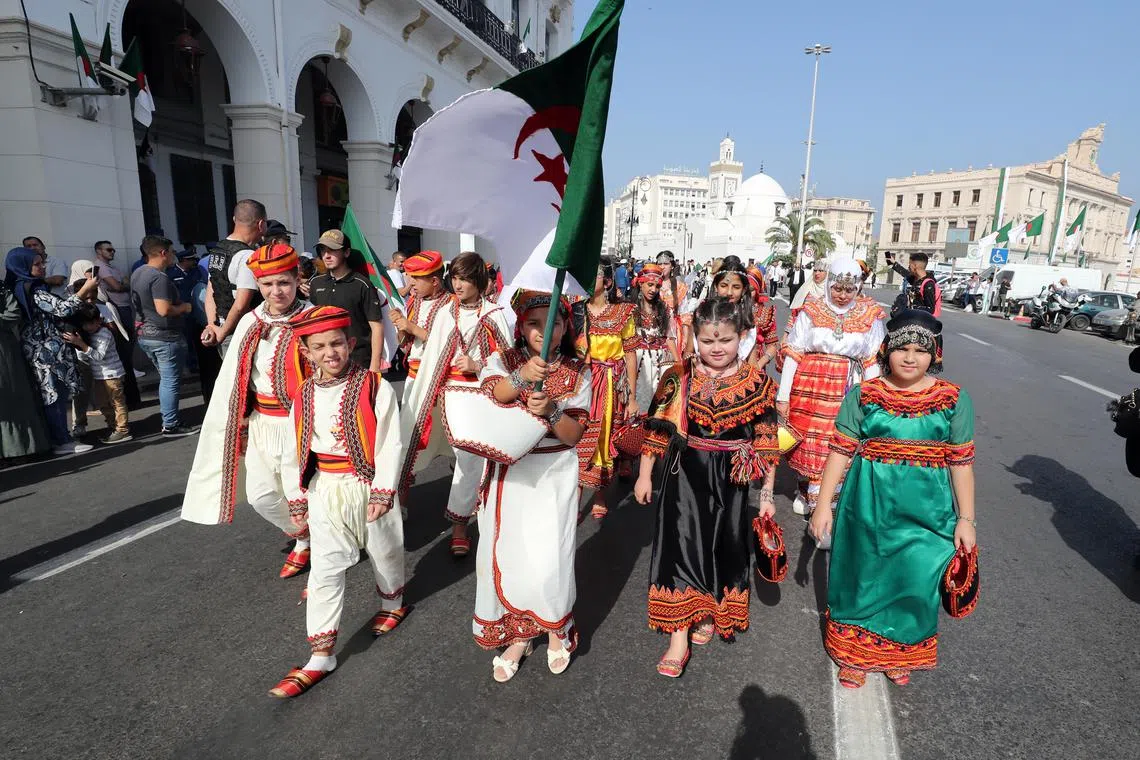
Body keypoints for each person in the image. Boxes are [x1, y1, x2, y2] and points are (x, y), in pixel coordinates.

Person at [810, 309, 976, 688]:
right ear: (886, 350)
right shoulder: (865, 394)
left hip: (929, 512)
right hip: (867, 503)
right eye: (902, 348)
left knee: (917, 577)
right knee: (862, 574)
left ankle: (899, 648)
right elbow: (840, 449)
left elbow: (962, 462)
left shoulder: (953, 399)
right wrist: (823, 505)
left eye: (921, 349)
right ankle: (856, 655)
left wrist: (966, 520)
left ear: (935, 353)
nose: (910, 357)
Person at [634, 297, 781, 678]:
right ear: (695, 338)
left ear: (742, 338)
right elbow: (658, 429)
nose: (717, 349)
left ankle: (709, 607)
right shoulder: (677, 376)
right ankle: (678, 636)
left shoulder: (759, 384)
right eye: (708, 341)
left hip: (732, 479)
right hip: (684, 474)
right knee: (680, 547)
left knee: (723, 546)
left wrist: (765, 497)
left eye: (726, 341)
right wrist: (645, 473)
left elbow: (766, 443)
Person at [267, 306, 409, 698]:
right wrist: (297, 497)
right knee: (325, 569)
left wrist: (383, 490)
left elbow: (390, 442)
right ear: (306, 352)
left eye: (336, 344)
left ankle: (393, 601)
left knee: (384, 551)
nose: (329, 353)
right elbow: (294, 451)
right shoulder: (304, 393)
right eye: (319, 347)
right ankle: (321, 654)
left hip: (367, 484)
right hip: (325, 488)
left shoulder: (375, 386)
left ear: (350, 344)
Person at [475, 289, 591, 681]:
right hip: (510, 472)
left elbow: (575, 434)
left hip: (554, 472)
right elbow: (493, 393)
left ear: (566, 327)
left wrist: (553, 411)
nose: (543, 330)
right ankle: (519, 634)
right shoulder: (503, 360)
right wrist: (521, 376)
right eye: (533, 323)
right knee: (509, 553)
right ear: (521, 327)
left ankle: (557, 628)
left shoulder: (579, 371)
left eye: (554, 322)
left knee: (550, 556)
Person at [181, 244, 314, 578]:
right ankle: (303, 534)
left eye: (283, 282)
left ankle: (310, 546)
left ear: (297, 279)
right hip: (260, 423)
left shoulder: (313, 318)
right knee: (261, 496)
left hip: (300, 424)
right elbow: (235, 377)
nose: (275, 291)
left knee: (302, 491)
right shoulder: (250, 322)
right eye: (267, 284)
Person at [395, 251, 510, 556]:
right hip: (441, 391)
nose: (458, 285)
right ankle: (395, 507)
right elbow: (433, 354)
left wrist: (479, 365)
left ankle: (460, 527)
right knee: (411, 442)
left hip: (477, 396)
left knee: (469, 460)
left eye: (465, 279)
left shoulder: (495, 314)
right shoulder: (448, 312)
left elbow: (509, 360)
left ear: (479, 280)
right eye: (455, 278)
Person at [777, 259, 887, 518]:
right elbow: (793, 353)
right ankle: (807, 489)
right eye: (837, 288)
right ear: (828, 283)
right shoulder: (812, 309)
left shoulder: (869, 314)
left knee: (837, 442)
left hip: (847, 387)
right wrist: (783, 395)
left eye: (849, 290)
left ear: (858, 287)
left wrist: (871, 397)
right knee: (808, 441)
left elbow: (872, 358)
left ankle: (822, 508)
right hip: (809, 386)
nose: (842, 295)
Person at [5, 247, 97, 455]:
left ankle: (60, 438)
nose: (43, 267)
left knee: (53, 394)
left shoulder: (22, 287)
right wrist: (85, 290)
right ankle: (61, 441)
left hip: (43, 350)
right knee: (54, 395)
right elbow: (63, 309)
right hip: (45, 353)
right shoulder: (33, 289)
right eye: (37, 264)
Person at [577, 258, 638, 519]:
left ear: (609, 282)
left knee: (603, 436)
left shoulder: (622, 313)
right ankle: (574, 494)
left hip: (611, 384)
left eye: (596, 277)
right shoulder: (576, 312)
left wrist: (633, 398)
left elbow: (631, 354)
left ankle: (599, 493)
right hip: (583, 381)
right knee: (577, 434)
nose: (590, 282)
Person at [389, 250, 452, 475]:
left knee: (454, 438)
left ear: (435, 281)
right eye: (408, 276)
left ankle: (463, 496)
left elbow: (448, 344)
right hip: (414, 378)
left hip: (443, 382)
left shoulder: (452, 305)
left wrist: (411, 327)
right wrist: (401, 327)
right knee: (409, 438)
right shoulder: (414, 302)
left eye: (416, 278)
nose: (410, 283)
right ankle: (403, 496)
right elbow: (406, 343)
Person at [131, 236, 196, 437]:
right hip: (164, 337)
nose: (174, 255)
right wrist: (185, 307)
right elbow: (163, 309)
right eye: (172, 251)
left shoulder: (138, 273)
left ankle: (170, 419)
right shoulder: (159, 278)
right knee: (170, 381)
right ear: (163, 253)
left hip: (146, 334)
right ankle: (171, 424)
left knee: (166, 380)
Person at [308, 230, 388, 372]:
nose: (326, 255)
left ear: (346, 252)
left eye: (332, 250)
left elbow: (376, 327)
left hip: (358, 361)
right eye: (323, 251)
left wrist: (375, 367)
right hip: (325, 361)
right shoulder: (316, 283)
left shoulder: (362, 284)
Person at [203, 199, 267, 357]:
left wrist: (212, 325)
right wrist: (222, 332)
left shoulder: (218, 250)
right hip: (240, 333)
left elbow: (211, 292)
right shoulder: (247, 256)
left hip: (221, 327)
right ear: (260, 224)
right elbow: (241, 304)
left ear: (234, 220)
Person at [0, 279, 51, 460]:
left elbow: (13, 313)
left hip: (4, 350)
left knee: (13, 398)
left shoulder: (1, 288)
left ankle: (20, 449)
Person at [73, 304, 131, 443]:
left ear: (99, 320)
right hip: (99, 375)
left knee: (117, 403)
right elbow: (85, 356)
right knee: (103, 404)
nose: (88, 327)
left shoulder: (104, 333)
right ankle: (113, 427)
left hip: (112, 374)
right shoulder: (88, 335)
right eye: (85, 325)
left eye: (91, 324)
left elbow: (99, 356)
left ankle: (122, 430)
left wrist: (81, 344)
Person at [631, 263, 680, 412]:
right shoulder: (630, 310)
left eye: (657, 286)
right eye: (649, 285)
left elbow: (669, 337)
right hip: (639, 363)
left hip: (661, 362)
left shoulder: (663, 310)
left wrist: (678, 362)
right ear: (641, 284)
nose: (653, 290)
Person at [168, 249, 207, 372]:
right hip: (182, 312)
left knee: (198, 337)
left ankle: (198, 362)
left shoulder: (196, 272)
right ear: (184, 261)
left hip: (196, 311)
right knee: (186, 340)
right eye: (191, 260)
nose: (194, 262)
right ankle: (190, 364)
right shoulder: (171, 273)